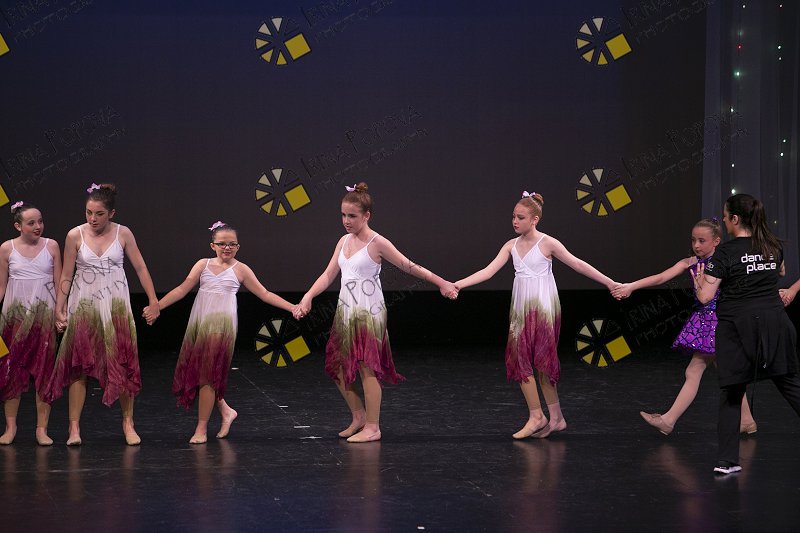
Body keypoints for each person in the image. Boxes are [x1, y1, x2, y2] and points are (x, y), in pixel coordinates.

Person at [294, 183, 457, 443]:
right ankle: (358, 416)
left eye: (352, 216)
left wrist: (442, 283)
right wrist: (308, 297)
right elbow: (328, 274)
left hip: (369, 311)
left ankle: (373, 427)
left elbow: (409, 266)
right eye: (343, 215)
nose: (346, 221)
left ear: (366, 215)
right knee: (337, 366)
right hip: (346, 311)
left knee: (366, 367)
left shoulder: (377, 242)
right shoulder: (343, 241)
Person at [454, 191, 617, 439]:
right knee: (520, 359)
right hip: (521, 310)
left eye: (520, 217)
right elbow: (488, 271)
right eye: (513, 217)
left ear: (535, 219)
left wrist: (610, 283)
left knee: (542, 363)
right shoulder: (510, 246)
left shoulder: (547, 243)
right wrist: (458, 284)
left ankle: (544, 417)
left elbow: (578, 264)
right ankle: (549, 417)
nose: (515, 221)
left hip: (543, 309)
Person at [143, 222, 296, 444]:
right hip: (200, 323)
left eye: (232, 244)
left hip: (222, 327)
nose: (227, 248)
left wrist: (293, 307)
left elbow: (264, 294)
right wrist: (157, 306)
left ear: (238, 247)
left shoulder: (241, 270)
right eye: (222, 244)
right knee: (201, 373)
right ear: (212, 245)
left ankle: (201, 428)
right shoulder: (202, 265)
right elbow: (182, 289)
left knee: (207, 375)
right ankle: (225, 410)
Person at [612, 218, 757, 435]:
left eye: (702, 241)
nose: (696, 245)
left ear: (716, 241)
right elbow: (661, 277)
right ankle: (746, 421)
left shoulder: (723, 261)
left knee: (695, 370)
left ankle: (668, 421)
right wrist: (631, 286)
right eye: (693, 240)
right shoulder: (690, 262)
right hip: (706, 321)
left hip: (719, 322)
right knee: (727, 374)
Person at [693, 193, 800, 474]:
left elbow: (705, 297)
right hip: (775, 324)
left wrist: (698, 281)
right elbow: (780, 272)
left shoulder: (725, 252)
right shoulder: (772, 245)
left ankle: (727, 462)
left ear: (735, 219)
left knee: (732, 391)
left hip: (738, 329)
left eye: (725, 217)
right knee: (790, 384)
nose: (724, 221)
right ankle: (727, 462)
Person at [53, 183, 160, 446]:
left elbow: (140, 267)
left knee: (121, 362)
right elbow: (66, 274)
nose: (93, 218)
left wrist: (153, 300)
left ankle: (128, 422)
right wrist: (60, 307)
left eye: (99, 214)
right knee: (79, 364)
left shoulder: (123, 233)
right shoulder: (75, 235)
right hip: (84, 304)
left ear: (111, 213)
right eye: (89, 212)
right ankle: (74, 427)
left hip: (115, 305)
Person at [0, 202, 62, 445]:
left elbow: (59, 284)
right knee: (11, 369)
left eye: (40, 221)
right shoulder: (7, 248)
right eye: (31, 223)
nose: (38, 226)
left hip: (43, 318)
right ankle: (10, 427)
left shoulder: (51, 246)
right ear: (18, 226)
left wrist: (60, 313)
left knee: (44, 371)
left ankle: (41, 429)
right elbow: (2, 286)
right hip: (14, 318)